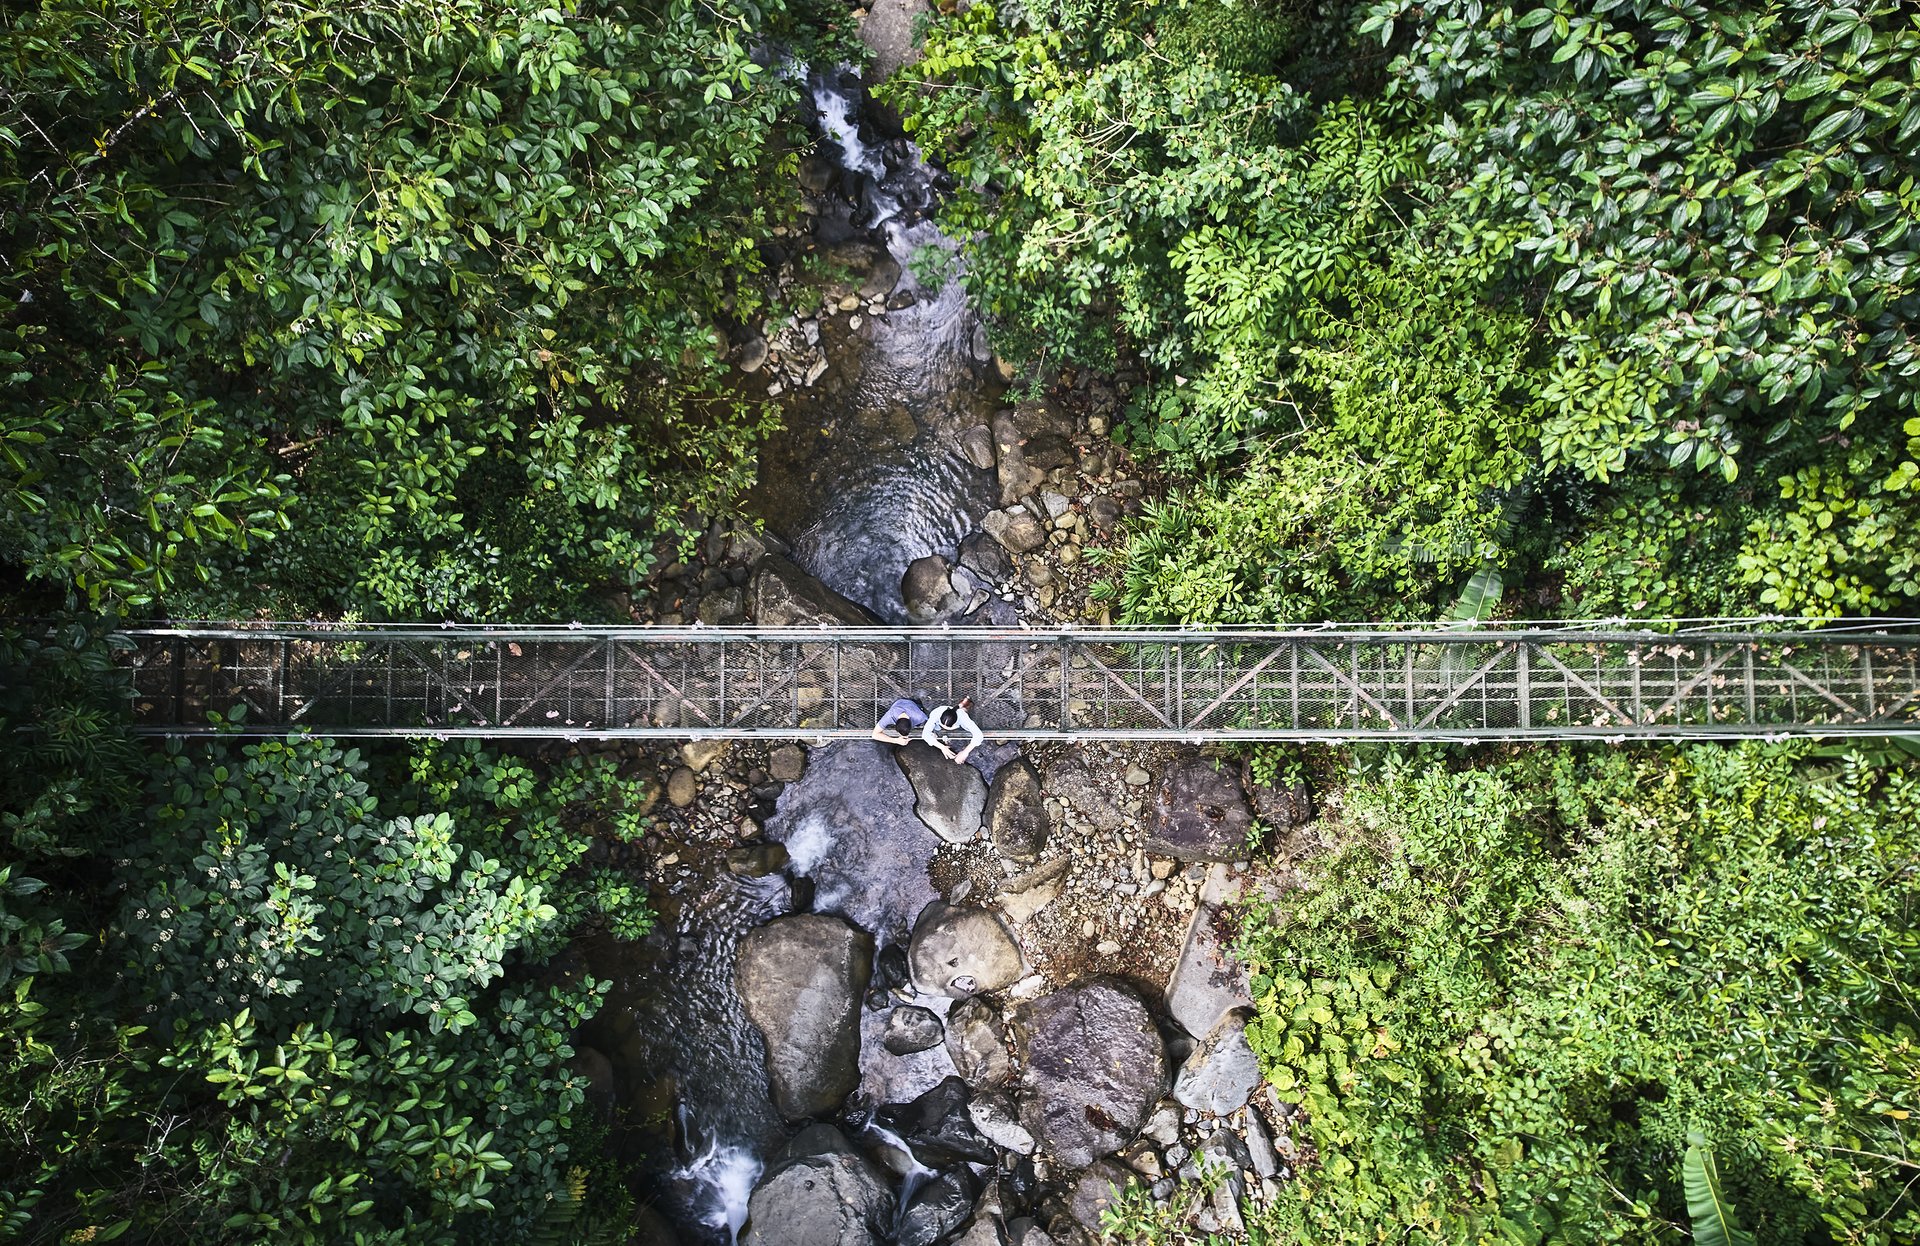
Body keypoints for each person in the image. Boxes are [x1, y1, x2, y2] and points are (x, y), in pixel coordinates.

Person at [922, 695, 984, 765]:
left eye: (947, 727)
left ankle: (964, 706)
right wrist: (942, 747)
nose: (945, 727)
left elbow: (979, 735)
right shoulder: (937, 713)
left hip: (957, 720)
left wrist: (965, 752)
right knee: (935, 730)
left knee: (964, 713)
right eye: (943, 725)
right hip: (937, 724)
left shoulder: (963, 717)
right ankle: (962, 704)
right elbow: (925, 734)